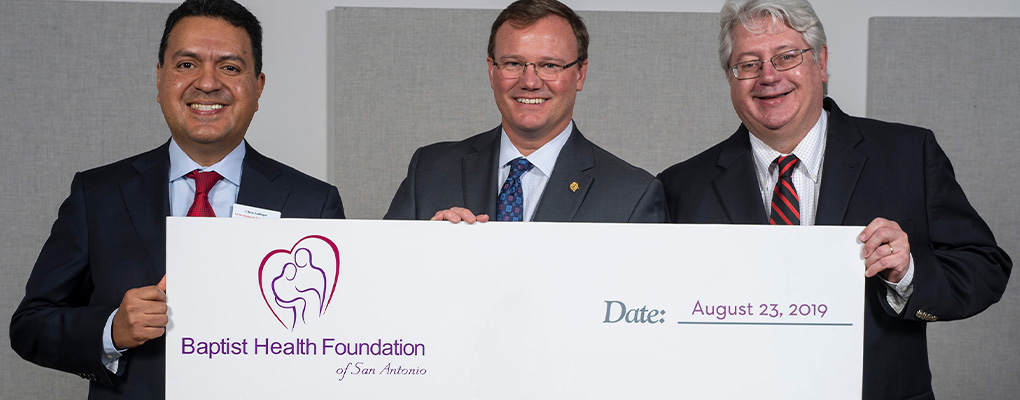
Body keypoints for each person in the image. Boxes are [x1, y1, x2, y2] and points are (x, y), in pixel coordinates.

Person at [657, 0, 1010, 398]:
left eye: (786, 56)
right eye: (749, 64)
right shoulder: (680, 186)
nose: (768, 76)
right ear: (730, 77)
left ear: (821, 62)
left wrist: (908, 273)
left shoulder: (908, 154)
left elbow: (985, 269)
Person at [9, 0, 344, 398]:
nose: (207, 83)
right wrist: (111, 330)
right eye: (187, 64)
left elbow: (336, 344)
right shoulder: (97, 194)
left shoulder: (314, 203)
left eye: (230, 67)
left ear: (258, 87)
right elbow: (30, 325)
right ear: (159, 78)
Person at [384, 0, 665, 223]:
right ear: (492, 71)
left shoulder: (632, 195)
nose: (530, 82)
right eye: (513, 63)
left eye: (549, 65)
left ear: (580, 74)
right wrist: (421, 248)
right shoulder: (429, 171)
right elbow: (380, 277)